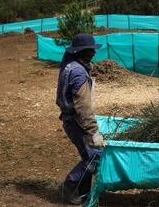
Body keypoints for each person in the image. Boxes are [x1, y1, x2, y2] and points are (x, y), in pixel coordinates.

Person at [56, 33, 107, 204]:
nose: (93, 53)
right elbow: (83, 108)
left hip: (69, 120)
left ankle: (82, 192)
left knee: (88, 156)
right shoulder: (78, 73)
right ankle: (69, 185)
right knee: (96, 157)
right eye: (90, 50)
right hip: (78, 123)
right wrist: (95, 133)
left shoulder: (69, 67)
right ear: (80, 51)